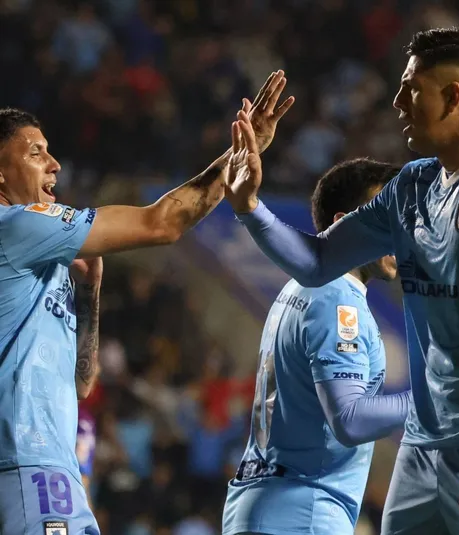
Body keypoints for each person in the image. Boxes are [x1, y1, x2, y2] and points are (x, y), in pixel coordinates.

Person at [224, 26, 459, 535]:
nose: (397, 102)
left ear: (453, 96)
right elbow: (319, 261)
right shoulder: (412, 185)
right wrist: (249, 207)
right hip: (424, 449)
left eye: (411, 88)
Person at [0, 71, 294, 534]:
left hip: (52, 469)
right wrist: (238, 155)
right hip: (25, 467)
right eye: (35, 153)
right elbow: (162, 223)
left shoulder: (38, 261)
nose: (54, 164)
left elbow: (81, 385)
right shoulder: (17, 225)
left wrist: (90, 292)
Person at [222, 158, 412, 535]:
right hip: (303, 512)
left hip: (262, 505)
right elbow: (350, 419)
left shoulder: (299, 288)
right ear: (345, 223)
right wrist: (438, 398)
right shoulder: (338, 301)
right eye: (387, 217)